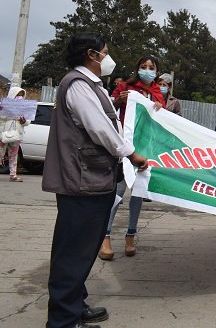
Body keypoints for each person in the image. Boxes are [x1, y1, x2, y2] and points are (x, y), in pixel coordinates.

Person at [42, 33, 149, 328]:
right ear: (91, 54)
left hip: (92, 178)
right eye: (104, 53)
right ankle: (63, 320)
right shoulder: (78, 85)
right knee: (73, 252)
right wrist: (131, 154)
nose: (108, 58)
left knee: (84, 249)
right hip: (80, 181)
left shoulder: (91, 86)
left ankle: (75, 304)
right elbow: (100, 128)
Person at [99, 55, 165, 261]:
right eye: (143, 66)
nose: (147, 70)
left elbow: (160, 119)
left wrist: (159, 109)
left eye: (151, 67)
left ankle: (131, 235)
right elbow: (108, 111)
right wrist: (119, 100)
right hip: (123, 146)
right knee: (118, 191)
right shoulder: (125, 87)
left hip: (145, 147)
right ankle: (105, 236)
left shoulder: (157, 92)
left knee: (138, 192)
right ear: (137, 69)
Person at [1, 87, 30, 182]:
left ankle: (13, 175)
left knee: (13, 155)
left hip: (17, 133)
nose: (20, 97)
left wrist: (24, 121)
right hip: (4, 133)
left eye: (22, 95)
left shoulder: (25, 108)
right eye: (18, 95)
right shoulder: (4, 105)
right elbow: (2, 118)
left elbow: (27, 122)